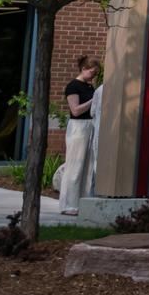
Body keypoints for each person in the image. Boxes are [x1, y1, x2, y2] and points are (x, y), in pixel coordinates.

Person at [59, 55, 98, 215]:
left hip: (90, 125)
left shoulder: (90, 87)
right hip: (78, 126)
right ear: (84, 69)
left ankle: (83, 202)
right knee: (75, 166)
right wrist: (93, 100)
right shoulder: (73, 86)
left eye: (96, 73)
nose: (94, 76)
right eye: (92, 72)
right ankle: (68, 204)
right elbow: (75, 110)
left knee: (88, 167)